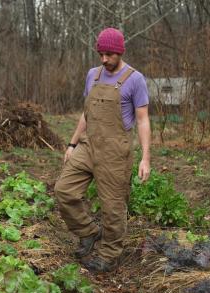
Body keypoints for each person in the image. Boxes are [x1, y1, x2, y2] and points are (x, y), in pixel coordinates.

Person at [54, 28, 151, 272]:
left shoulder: (134, 79)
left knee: (113, 206)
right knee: (64, 190)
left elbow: (143, 120)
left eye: (109, 54)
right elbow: (86, 115)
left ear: (120, 52)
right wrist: (72, 144)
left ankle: (109, 255)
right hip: (89, 146)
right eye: (101, 54)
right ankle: (88, 232)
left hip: (115, 152)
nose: (104, 59)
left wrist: (145, 158)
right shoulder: (93, 76)